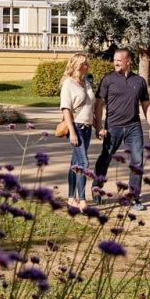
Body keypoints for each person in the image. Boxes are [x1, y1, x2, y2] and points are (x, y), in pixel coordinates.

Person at [94, 47, 150, 211]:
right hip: (112, 127)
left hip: (133, 127)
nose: (116, 62)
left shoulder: (139, 81)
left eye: (119, 60)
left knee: (137, 161)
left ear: (128, 61)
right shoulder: (108, 79)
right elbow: (99, 103)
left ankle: (134, 197)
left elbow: (146, 105)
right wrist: (99, 125)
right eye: (114, 60)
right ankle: (97, 189)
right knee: (106, 158)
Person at [60, 53, 95, 210]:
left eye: (87, 64)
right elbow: (66, 109)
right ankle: (82, 200)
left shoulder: (86, 83)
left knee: (75, 163)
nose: (87, 66)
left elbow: (91, 106)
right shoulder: (68, 83)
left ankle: (70, 198)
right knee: (84, 163)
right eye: (84, 64)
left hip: (87, 128)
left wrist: (98, 126)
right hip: (77, 128)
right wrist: (72, 132)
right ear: (75, 66)